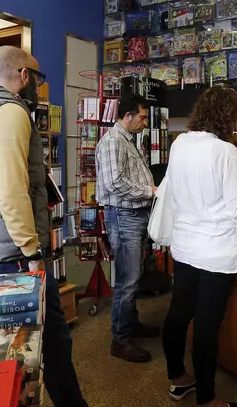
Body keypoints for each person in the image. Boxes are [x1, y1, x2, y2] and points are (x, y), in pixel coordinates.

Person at [0, 46, 87, 407]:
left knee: (1, 349)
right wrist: (31, 250)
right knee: (51, 344)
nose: (38, 84)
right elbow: (10, 189)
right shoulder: (9, 111)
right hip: (13, 253)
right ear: (24, 76)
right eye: (37, 77)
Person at [161, 86, 237, 407]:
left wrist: (234, 194)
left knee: (179, 314)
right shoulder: (226, 151)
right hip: (216, 252)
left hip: (185, 246)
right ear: (227, 117)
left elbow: (187, 190)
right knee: (207, 326)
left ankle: (178, 378)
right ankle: (208, 400)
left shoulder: (180, 143)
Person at [95, 93, 159, 363]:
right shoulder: (113, 141)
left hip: (133, 215)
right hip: (125, 216)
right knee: (127, 279)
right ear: (128, 115)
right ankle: (120, 340)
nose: (145, 122)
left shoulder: (126, 140)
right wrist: (150, 191)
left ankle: (130, 324)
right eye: (142, 117)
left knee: (133, 275)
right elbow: (114, 183)